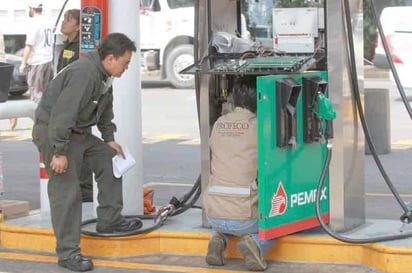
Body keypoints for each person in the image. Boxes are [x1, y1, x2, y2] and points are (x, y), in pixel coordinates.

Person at [32, 33, 140, 272]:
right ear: (111, 58)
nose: (126, 68)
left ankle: (109, 220)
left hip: (78, 133)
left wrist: (109, 139)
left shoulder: (105, 75)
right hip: (55, 132)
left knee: (110, 159)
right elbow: (63, 114)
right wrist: (58, 151)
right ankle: (68, 253)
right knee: (67, 191)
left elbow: (104, 109)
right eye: (125, 63)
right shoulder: (85, 74)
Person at [203, 76, 275, 271]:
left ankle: (218, 239)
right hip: (245, 219)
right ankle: (256, 243)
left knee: (228, 215)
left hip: (214, 215)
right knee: (280, 213)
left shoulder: (218, 124)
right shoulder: (261, 126)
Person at [56, 8, 94, 203]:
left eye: (68, 20)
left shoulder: (81, 48)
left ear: (79, 26)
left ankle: (85, 191)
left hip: (75, 107)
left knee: (80, 147)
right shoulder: (67, 46)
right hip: (64, 104)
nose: (63, 23)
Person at [19, 0, 54, 104]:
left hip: (37, 61)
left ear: (32, 9)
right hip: (48, 60)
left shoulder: (34, 23)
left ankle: (38, 118)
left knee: (36, 93)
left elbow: (29, 45)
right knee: (45, 92)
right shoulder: (48, 22)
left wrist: (23, 64)